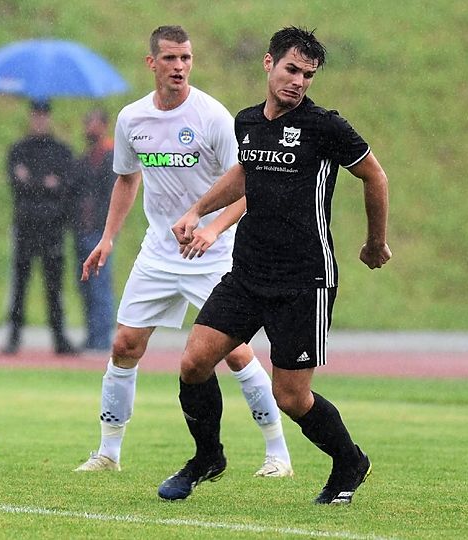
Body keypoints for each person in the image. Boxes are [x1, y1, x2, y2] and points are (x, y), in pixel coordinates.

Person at [160, 26, 390, 504]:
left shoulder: (326, 127)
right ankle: (207, 458)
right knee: (194, 362)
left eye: (308, 75)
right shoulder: (248, 122)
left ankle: (350, 461)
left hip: (304, 280)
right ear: (269, 64)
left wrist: (374, 242)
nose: (299, 81)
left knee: (291, 398)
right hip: (248, 274)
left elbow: (375, 175)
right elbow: (245, 173)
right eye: (291, 69)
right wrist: (196, 211)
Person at [75, 25, 292, 477]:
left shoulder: (212, 117)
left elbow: (251, 181)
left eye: (186, 59)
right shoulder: (132, 118)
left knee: (233, 353)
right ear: (152, 63)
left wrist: (212, 229)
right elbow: (127, 178)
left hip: (213, 253)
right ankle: (108, 452)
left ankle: (278, 453)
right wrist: (109, 237)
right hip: (158, 252)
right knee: (123, 345)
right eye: (170, 59)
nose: (179, 67)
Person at [3, 100, 77, 355]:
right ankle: (13, 336)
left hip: (52, 229)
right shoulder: (18, 150)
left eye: (43, 116)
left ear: (49, 118)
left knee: (54, 286)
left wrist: (32, 183)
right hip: (25, 227)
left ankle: (59, 337)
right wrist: (45, 184)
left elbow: (66, 187)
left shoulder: (61, 151)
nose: (39, 121)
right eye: (36, 116)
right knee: (19, 285)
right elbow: (17, 185)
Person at [69, 109, 115, 352]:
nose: (88, 128)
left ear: (103, 125)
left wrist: (105, 228)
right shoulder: (86, 158)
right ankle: (92, 334)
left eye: (92, 123)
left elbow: (110, 196)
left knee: (100, 285)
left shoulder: (110, 156)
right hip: (82, 231)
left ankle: (102, 338)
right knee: (86, 285)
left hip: (99, 231)